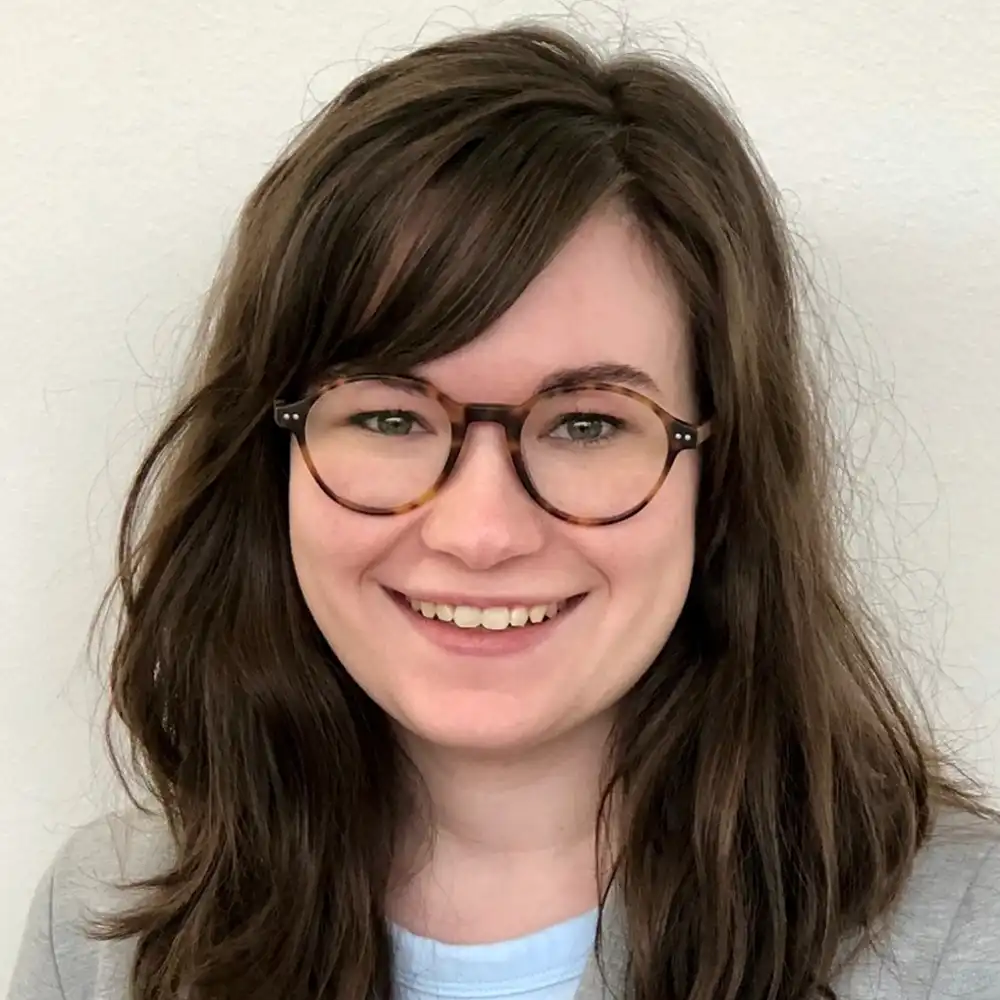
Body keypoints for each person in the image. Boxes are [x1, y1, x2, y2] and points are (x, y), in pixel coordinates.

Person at [8, 22, 1000, 1000]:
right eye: (390, 416)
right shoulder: (107, 927)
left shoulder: (965, 935)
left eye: (586, 424)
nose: (479, 533)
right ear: (271, 458)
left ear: (723, 473)